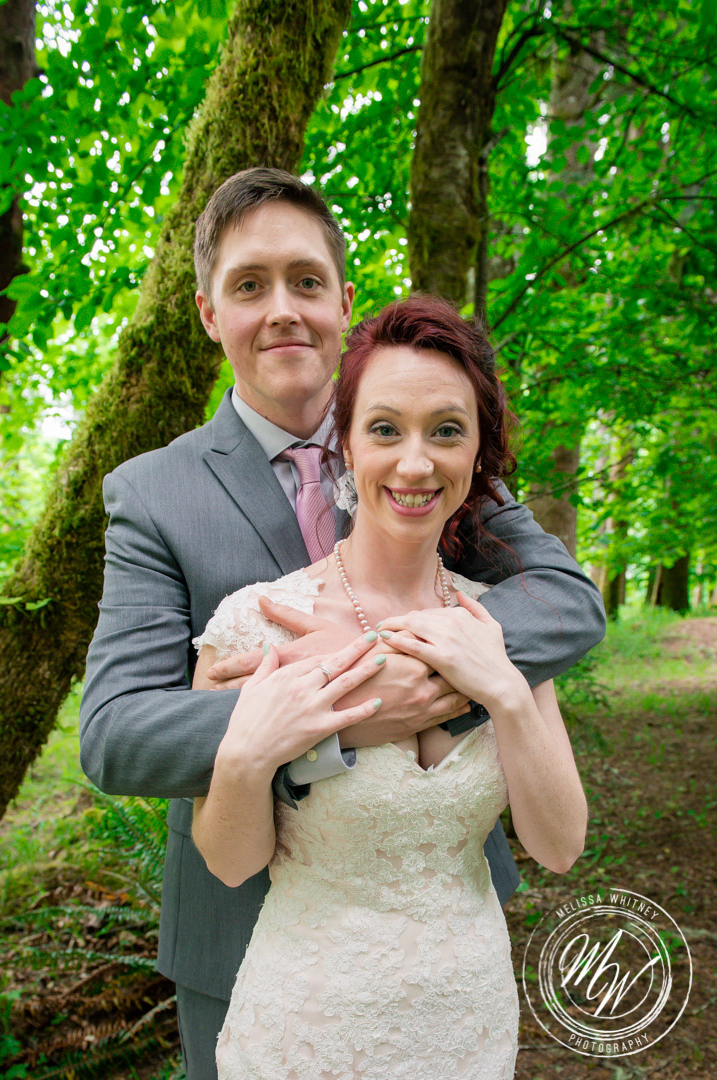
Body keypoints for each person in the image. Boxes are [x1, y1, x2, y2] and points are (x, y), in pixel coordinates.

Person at [79, 167, 605, 1080]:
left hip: (445, 933)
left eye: (306, 280)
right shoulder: (153, 494)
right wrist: (336, 709)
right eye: (250, 285)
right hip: (243, 933)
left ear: (343, 301)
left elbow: (564, 601)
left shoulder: (428, 450)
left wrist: (430, 676)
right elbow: (116, 735)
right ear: (209, 313)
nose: (283, 309)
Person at [191, 295, 588, 1078]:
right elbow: (231, 863)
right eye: (384, 429)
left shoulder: (499, 625)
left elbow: (560, 846)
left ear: (479, 453)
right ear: (343, 443)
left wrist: (506, 693)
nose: (415, 464)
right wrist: (247, 753)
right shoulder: (255, 624)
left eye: (446, 430)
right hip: (307, 1034)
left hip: (467, 1027)